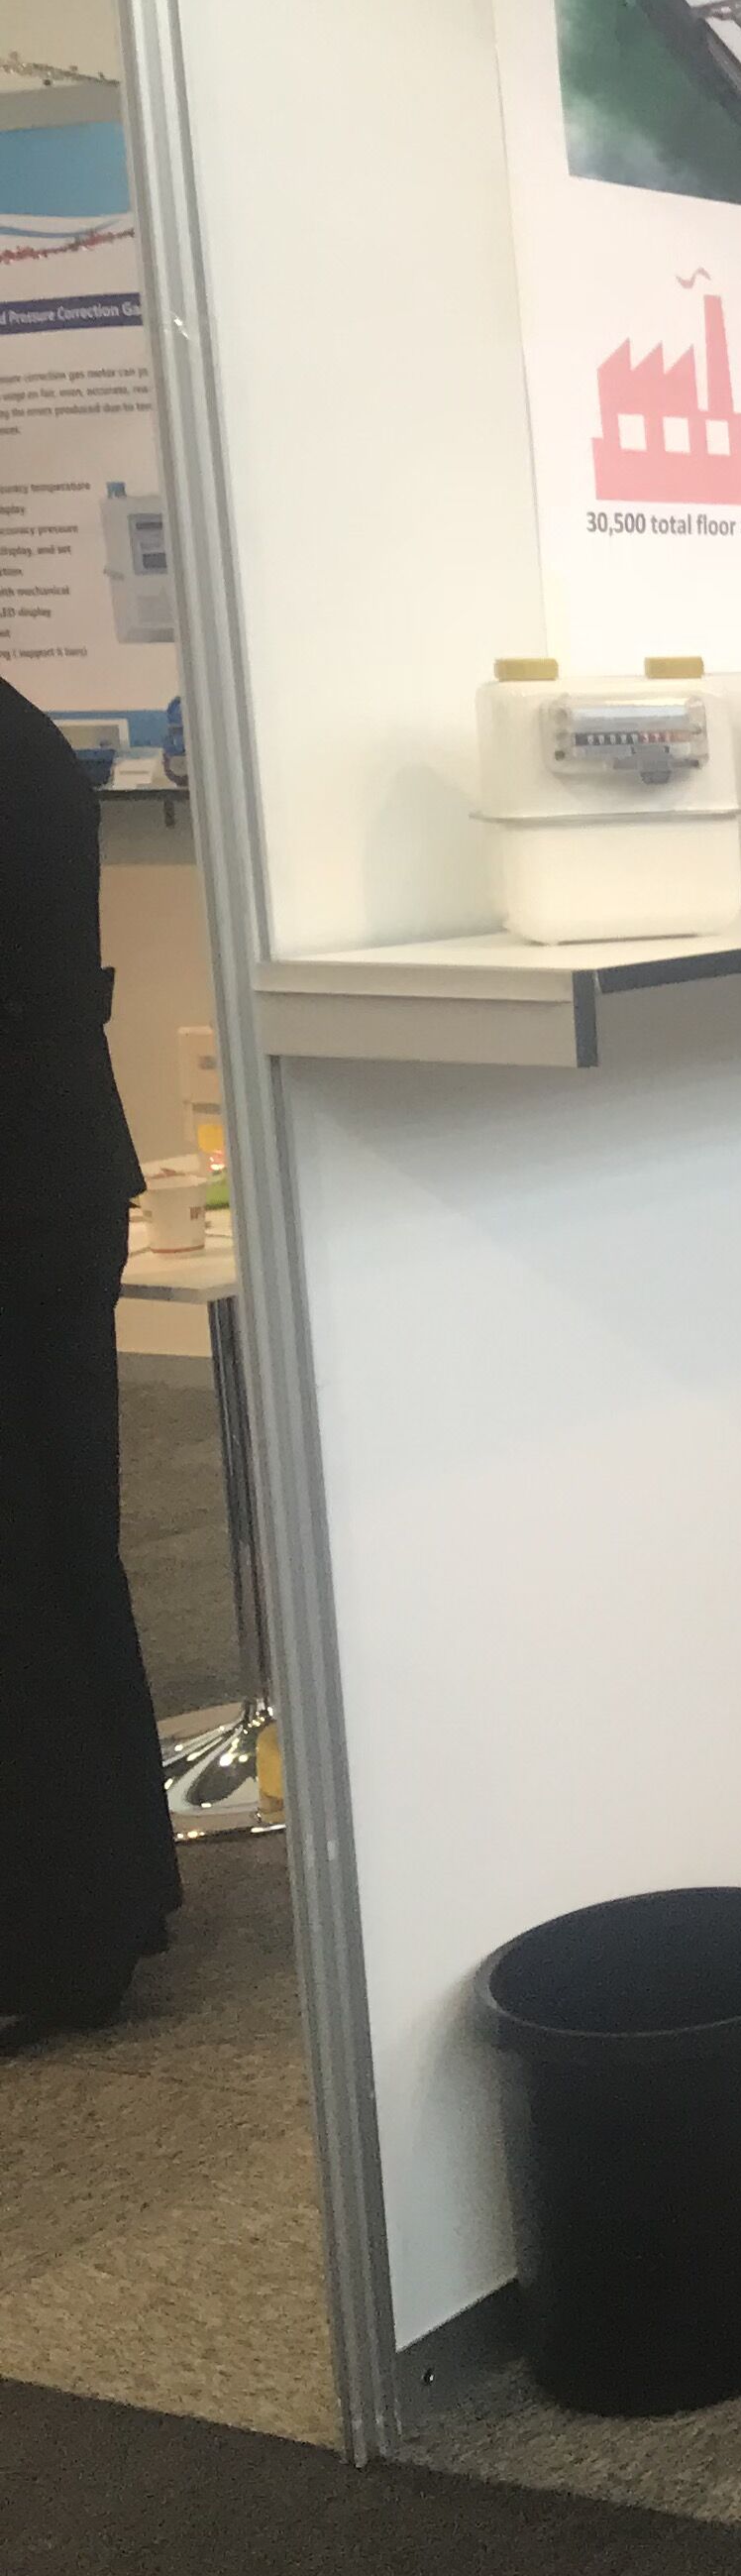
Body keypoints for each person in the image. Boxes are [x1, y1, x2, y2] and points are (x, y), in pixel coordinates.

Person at [0, 670, 181, 2043]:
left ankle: (51, 1945)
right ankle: (112, 1903)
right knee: (64, 1550)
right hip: (55, 1172)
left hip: (26, 1180)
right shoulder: (23, 734)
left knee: (29, 1569)